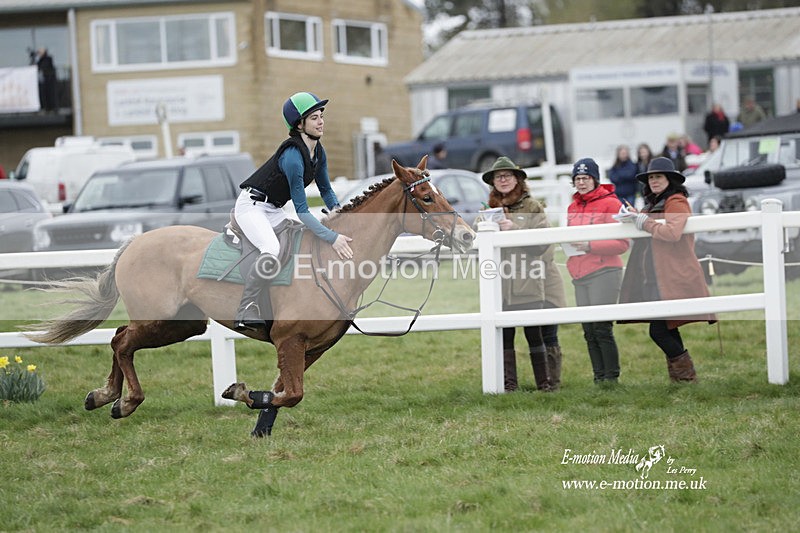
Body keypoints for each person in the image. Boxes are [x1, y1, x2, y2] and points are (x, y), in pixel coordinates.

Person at [234, 91, 353, 330]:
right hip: (252, 207)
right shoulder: (292, 158)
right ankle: (246, 307)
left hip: (272, 208)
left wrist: (339, 213)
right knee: (272, 248)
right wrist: (332, 237)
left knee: (300, 241)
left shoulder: (318, 151)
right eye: (314, 118)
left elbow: (326, 190)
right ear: (299, 125)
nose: (321, 122)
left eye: (321, 116)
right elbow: (302, 211)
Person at [616, 157, 716, 382]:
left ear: (670, 179)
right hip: (656, 277)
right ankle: (682, 380)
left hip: (671, 276)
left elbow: (672, 233)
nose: (654, 181)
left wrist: (644, 222)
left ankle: (687, 377)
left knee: (658, 331)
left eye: (658, 176)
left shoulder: (676, 201)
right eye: (651, 177)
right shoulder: (654, 204)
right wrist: (635, 217)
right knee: (668, 328)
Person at [480, 156, 559, 392]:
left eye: (507, 175)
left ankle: (544, 384)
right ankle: (509, 385)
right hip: (498, 285)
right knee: (504, 337)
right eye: (498, 177)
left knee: (534, 335)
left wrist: (514, 229)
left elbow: (543, 244)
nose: (503, 180)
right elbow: (476, 242)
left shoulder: (533, 207)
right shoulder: (487, 210)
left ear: (517, 179)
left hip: (528, 281)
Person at [566, 158, 629, 384]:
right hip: (580, 274)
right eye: (577, 178)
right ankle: (598, 378)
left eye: (586, 178)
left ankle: (611, 378)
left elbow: (622, 243)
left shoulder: (611, 204)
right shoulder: (572, 207)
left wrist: (590, 246)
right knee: (589, 331)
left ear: (595, 179)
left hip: (604, 272)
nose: (581, 183)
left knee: (602, 328)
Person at [32, 48, 57, 112]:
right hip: (44, 80)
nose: (39, 54)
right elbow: (37, 66)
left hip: (50, 79)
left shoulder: (48, 58)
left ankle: (52, 108)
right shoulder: (41, 60)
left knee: (50, 94)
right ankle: (46, 107)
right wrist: (34, 58)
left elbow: (44, 66)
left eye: (40, 52)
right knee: (45, 94)